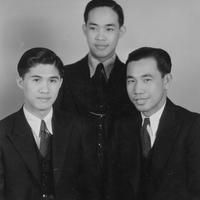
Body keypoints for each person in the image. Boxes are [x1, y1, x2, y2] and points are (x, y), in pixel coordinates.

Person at [55, 0, 135, 198]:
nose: (100, 37)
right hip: (74, 190)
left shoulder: (133, 78)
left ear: (121, 31)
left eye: (109, 28)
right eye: (93, 28)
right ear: (84, 29)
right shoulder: (64, 76)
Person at [0, 47, 99, 200]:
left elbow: (92, 189)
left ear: (60, 83)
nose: (45, 90)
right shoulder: (3, 132)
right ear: (20, 82)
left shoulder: (79, 127)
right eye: (36, 80)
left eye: (52, 80)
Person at [110, 47, 200, 200]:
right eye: (131, 80)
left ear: (166, 81)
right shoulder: (120, 126)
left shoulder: (193, 126)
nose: (137, 90)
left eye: (147, 80)